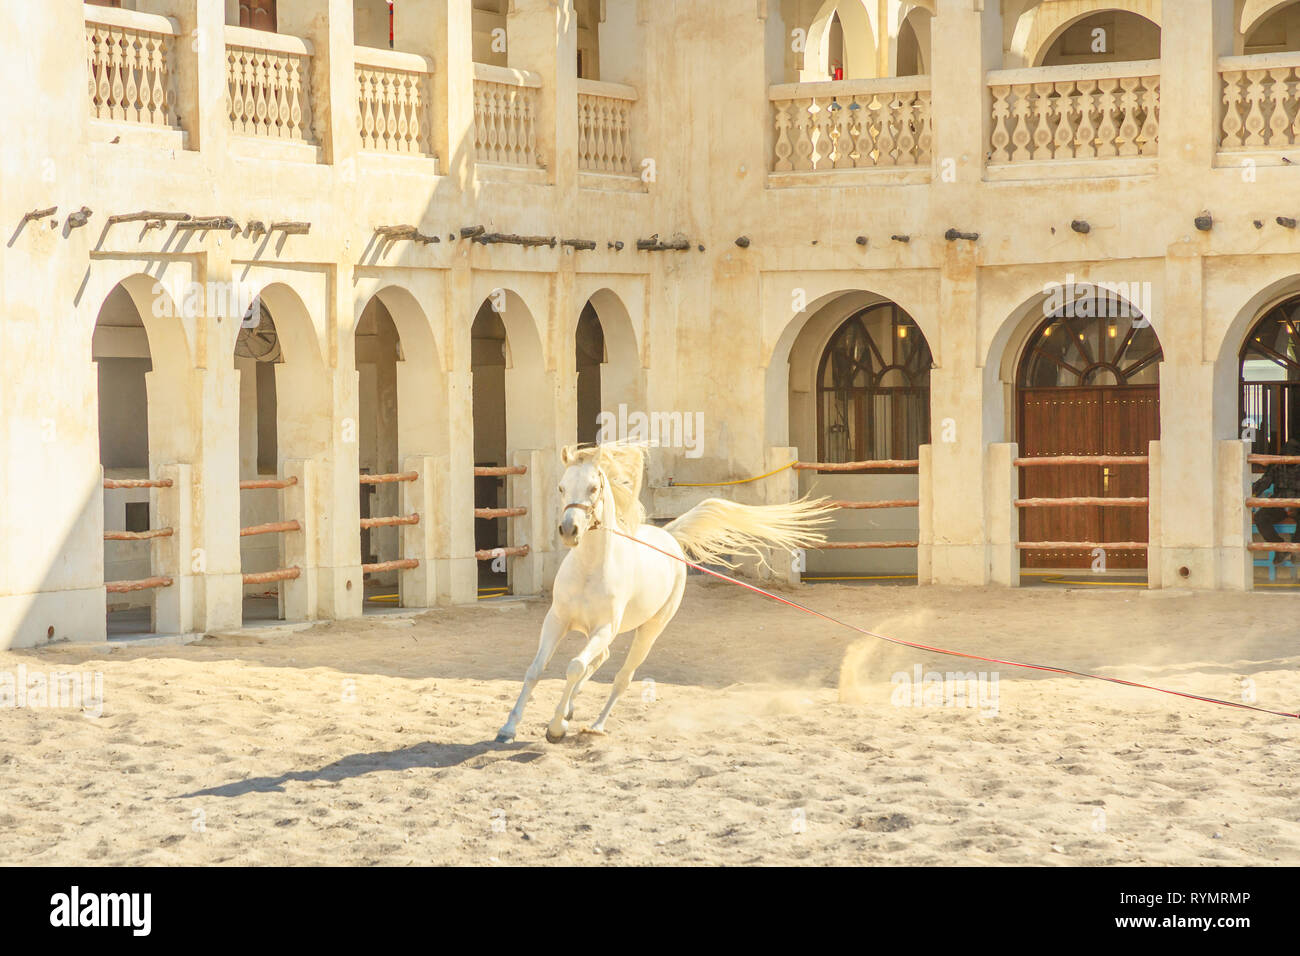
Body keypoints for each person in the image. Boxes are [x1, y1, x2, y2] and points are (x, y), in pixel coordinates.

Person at [1252, 437, 1300, 562]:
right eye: (1287, 454)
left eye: (1292, 454)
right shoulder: (1277, 466)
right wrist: (1253, 492)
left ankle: (1296, 550)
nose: (1289, 457)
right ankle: (1281, 548)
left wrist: (1294, 506)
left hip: (1298, 505)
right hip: (1279, 503)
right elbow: (1264, 482)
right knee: (1260, 517)